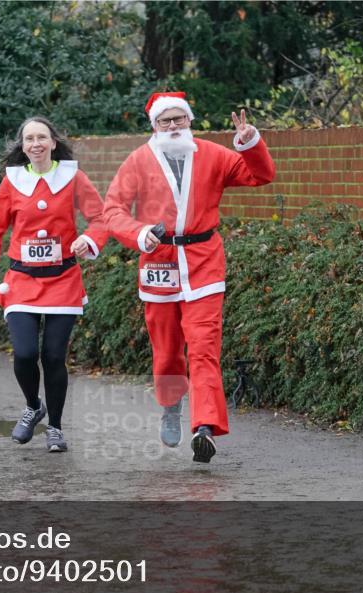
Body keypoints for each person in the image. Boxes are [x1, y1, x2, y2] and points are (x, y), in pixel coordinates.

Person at [103, 91, 276, 463]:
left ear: (190, 122)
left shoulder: (212, 154)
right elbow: (112, 210)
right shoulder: (138, 161)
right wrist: (137, 232)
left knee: (203, 348)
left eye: (179, 119)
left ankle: (205, 428)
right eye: (165, 121)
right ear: (154, 126)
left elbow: (260, 175)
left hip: (203, 263)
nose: (173, 126)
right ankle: (170, 407)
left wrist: (250, 144)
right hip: (159, 264)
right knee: (167, 354)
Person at [0, 116, 108, 453]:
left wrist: (89, 240)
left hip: (63, 280)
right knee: (24, 354)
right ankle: (34, 406)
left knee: (52, 356)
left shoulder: (72, 177)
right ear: (22, 145)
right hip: (20, 280)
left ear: (53, 142)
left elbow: (100, 218)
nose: (35, 144)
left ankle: (56, 428)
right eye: (29, 138)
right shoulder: (13, 181)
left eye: (41, 138)